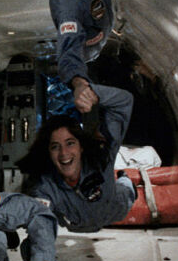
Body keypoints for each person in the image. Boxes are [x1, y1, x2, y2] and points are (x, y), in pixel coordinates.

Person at [17, 84, 135, 233]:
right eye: (55, 146)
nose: (63, 153)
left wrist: (93, 93)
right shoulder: (45, 187)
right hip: (76, 225)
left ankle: (124, 178)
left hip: (117, 207)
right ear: (48, 152)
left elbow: (124, 102)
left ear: (81, 146)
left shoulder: (100, 159)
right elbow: (41, 226)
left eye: (70, 143)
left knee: (126, 188)